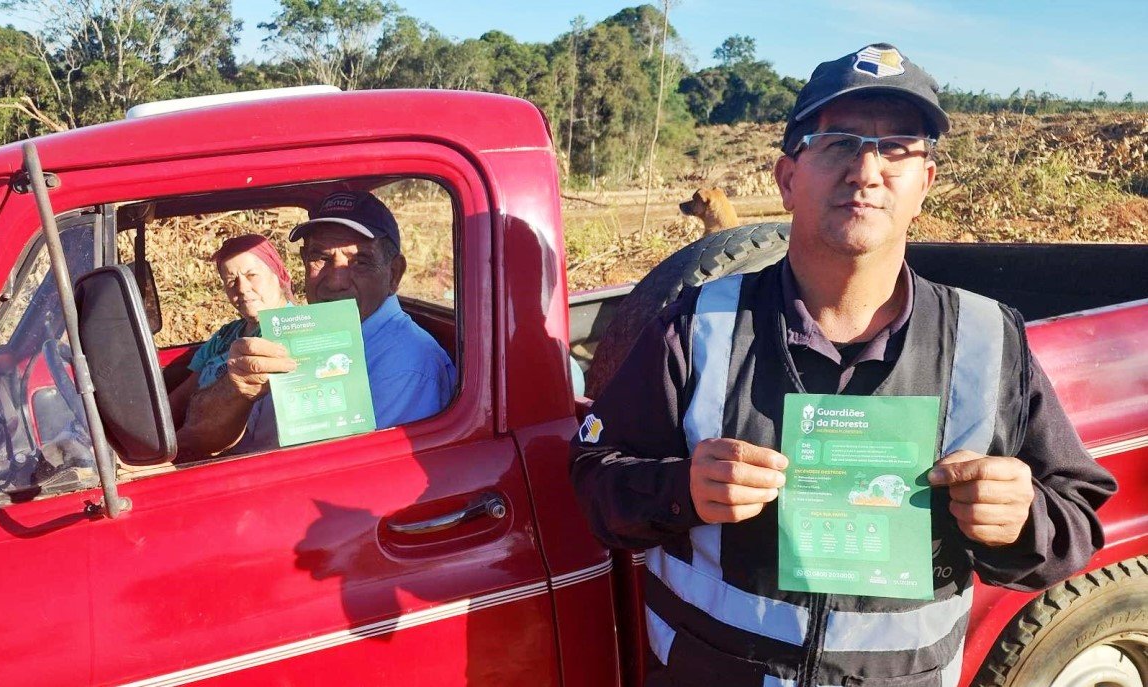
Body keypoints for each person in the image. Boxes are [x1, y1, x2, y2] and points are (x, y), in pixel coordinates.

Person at [570, 44, 1117, 686]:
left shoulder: (988, 338)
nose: (866, 169)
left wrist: (1022, 521)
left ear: (926, 184)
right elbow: (595, 479)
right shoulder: (699, 325)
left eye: (898, 148)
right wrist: (681, 490)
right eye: (837, 143)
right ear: (787, 178)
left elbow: (1076, 517)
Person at [177, 190, 456, 457]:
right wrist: (236, 388)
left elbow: (353, 484)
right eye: (321, 258)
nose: (335, 281)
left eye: (360, 261)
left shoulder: (407, 366)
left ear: (394, 274)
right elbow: (199, 435)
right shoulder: (295, 330)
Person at [169, 234, 295, 427]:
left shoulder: (293, 328)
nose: (242, 288)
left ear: (278, 275)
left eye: (251, 275)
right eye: (230, 281)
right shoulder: (227, 333)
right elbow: (183, 396)